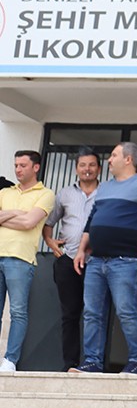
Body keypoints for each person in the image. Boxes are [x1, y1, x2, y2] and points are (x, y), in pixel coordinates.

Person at [72, 142, 137, 375]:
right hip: (96, 260)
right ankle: (92, 362)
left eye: (114, 155)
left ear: (128, 159)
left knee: (126, 311)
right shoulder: (105, 187)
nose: (109, 160)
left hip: (125, 262)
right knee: (92, 313)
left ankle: (136, 361)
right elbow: (92, 220)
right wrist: (81, 249)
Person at [42, 147, 100, 373]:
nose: (87, 169)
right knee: (70, 314)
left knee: (95, 313)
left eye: (92, 165)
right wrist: (50, 242)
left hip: (96, 261)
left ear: (99, 168)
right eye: (82, 165)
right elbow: (49, 223)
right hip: (67, 260)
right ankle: (71, 364)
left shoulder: (106, 193)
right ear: (76, 169)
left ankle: (95, 362)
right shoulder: (65, 194)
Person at [0, 150, 55, 373]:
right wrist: (16, 212)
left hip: (21, 259)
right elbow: (23, 219)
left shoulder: (46, 194)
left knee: (18, 312)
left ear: (36, 167)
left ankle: (10, 360)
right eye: (16, 165)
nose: (18, 169)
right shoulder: (5, 192)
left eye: (23, 165)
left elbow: (29, 223)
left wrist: (4, 217)